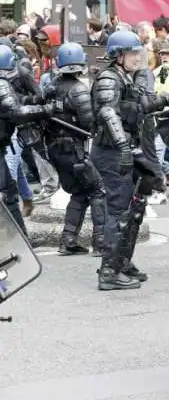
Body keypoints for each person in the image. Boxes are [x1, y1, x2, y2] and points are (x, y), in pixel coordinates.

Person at [92, 31, 169, 291]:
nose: (139, 56)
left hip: (124, 150)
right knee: (118, 211)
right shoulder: (109, 78)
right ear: (118, 55)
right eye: (133, 52)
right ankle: (109, 271)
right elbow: (107, 112)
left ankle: (121, 262)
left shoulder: (125, 77)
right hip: (112, 152)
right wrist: (123, 145)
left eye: (138, 52)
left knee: (134, 210)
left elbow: (141, 104)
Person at [44, 43, 106, 256]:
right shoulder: (78, 89)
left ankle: (68, 240)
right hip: (74, 150)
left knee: (80, 192)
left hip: (55, 149)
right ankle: (100, 242)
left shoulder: (51, 87)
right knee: (98, 190)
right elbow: (88, 123)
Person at [0, 44, 59, 233]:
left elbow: (19, 101)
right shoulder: (1, 83)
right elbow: (15, 111)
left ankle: (20, 237)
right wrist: (44, 110)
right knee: (8, 193)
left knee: (10, 188)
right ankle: (17, 239)